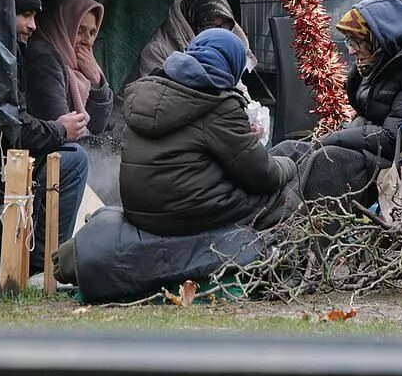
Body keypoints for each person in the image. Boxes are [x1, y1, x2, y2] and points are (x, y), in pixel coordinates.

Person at [278, 0, 402, 207]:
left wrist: (334, 138)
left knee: (329, 160)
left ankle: (299, 230)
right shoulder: (381, 63)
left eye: (358, 42)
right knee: (288, 150)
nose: (351, 49)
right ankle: (260, 221)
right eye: (349, 41)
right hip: (381, 153)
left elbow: (395, 138)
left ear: (381, 40)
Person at [119, 28, 300, 236]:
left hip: (140, 212)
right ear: (232, 65)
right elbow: (264, 175)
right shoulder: (218, 104)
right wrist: (291, 163)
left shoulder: (151, 90)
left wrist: (239, 134)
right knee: (287, 198)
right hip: (184, 215)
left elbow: (189, 144)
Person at [12, 0, 90, 274]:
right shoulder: (39, 56)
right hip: (0, 162)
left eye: (92, 33)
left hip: (14, 153)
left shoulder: (75, 65)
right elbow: (17, 125)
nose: (32, 25)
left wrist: (97, 84)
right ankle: (45, 265)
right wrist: (60, 129)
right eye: (25, 15)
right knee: (74, 159)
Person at [121, 0, 253, 93]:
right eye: (209, 26)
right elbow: (157, 102)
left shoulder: (224, 47)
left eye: (224, 26)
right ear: (191, 23)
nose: (217, 32)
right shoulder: (158, 50)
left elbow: (236, 86)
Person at [25, 0, 114, 137]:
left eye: (92, 33)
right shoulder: (43, 57)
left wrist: (97, 82)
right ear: (61, 27)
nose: (87, 41)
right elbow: (63, 129)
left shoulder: (83, 66)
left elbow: (98, 128)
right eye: (79, 31)